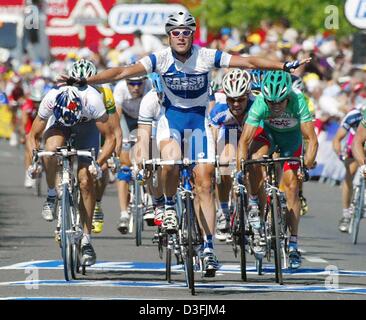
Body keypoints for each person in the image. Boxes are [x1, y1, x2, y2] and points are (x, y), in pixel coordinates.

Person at [60, 11, 309, 276]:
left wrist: (281, 66)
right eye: (176, 32)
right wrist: (88, 80)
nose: (181, 36)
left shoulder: (205, 56)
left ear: (192, 35)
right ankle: (168, 206)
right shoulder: (160, 58)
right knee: (170, 160)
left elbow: (246, 61)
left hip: (199, 124)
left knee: (205, 180)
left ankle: (209, 248)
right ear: (168, 36)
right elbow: (122, 71)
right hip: (172, 124)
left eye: (186, 32)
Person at [26, 85, 116, 266]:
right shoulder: (51, 98)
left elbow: (111, 137)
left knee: (85, 181)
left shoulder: (92, 100)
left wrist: (98, 163)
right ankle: (52, 195)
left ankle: (86, 240)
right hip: (58, 125)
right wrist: (34, 162)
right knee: (50, 150)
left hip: (87, 128)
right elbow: (32, 136)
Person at [237, 70, 318, 269]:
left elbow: (312, 140)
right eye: (270, 102)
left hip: (291, 140)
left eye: (279, 102)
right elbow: (244, 140)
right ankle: (256, 202)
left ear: (287, 97)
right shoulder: (260, 103)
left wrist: (305, 167)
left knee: (291, 187)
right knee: (255, 160)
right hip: (268, 136)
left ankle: (293, 243)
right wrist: (241, 166)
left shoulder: (298, 101)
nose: (274, 107)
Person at [68, 59, 122, 234]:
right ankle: (62, 204)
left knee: (102, 167)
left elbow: (115, 130)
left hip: (97, 129)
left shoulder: (104, 93)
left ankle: (96, 203)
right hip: (72, 126)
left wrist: (115, 156)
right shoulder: (65, 92)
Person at [208, 69, 255, 241]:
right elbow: (212, 137)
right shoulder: (219, 110)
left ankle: (252, 205)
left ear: (248, 96)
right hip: (230, 134)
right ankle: (223, 210)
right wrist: (212, 158)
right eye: (231, 100)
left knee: (252, 166)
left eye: (241, 100)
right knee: (225, 164)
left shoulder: (256, 106)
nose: (236, 104)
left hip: (250, 136)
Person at [113, 74, 152, 234]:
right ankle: (123, 213)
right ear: (126, 83)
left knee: (149, 159)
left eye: (138, 84)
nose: (136, 87)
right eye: (132, 84)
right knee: (124, 168)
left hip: (146, 119)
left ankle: (150, 200)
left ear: (144, 82)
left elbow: (155, 115)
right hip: (126, 120)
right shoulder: (120, 89)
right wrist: (120, 141)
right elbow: (117, 116)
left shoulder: (150, 86)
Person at [334, 106, 363, 232]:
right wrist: (341, 155)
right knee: (350, 170)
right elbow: (337, 139)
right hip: (355, 143)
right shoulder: (354, 116)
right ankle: (346, 214)